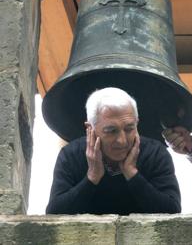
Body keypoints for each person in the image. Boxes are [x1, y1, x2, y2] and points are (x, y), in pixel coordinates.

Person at [46, 87, 181, 215]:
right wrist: (92, 177)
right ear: (90, 128)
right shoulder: (71, 155)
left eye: (129, 129)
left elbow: (172, 210)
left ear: (137, 123)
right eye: (111, 131)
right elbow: (54, 213)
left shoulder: (155, 154)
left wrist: (132, 174)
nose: (122, 141)